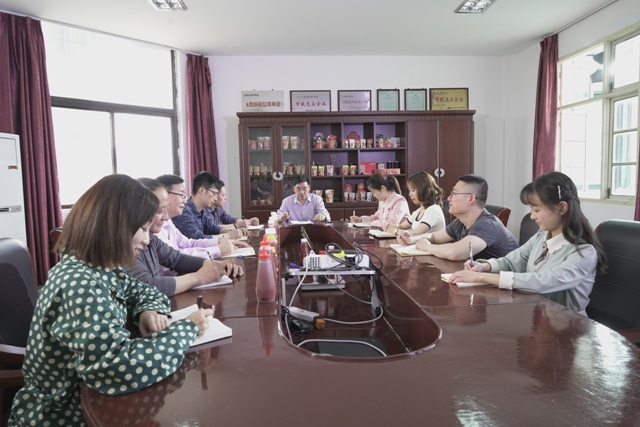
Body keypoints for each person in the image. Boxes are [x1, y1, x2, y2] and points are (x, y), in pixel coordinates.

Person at [8, 174, 213, 427]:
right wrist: (188, 329)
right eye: (143, 229)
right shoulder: (81, 283)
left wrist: (146, 310)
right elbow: (116, 368)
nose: (147, 239)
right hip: (64, 413)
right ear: (116, 226)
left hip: (90, 400)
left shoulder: (100, 268)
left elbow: (145, 291)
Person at [447, 171, 606, 314]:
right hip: (537, 313)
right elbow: (512, 261)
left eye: (537, 210)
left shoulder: (584, 252)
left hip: (570, 323)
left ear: (562, 208)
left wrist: (482, 277)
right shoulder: (541, 236)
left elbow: (543, 282)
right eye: (531, 210)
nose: (532, 216)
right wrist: (485, 267)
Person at [127, 178, 244, 296]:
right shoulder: (128, 244)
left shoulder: (151, 238)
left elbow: (178, 258)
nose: (166, 217)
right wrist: (198, 277)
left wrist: (212, 265)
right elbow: (146, 286)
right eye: (159, 211)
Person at [414, 174, 518, 260]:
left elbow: (454, 253)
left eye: (454, 193)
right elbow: (434, 237)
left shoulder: (487, 224)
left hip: (502, 278)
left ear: (470, 198)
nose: (449, 198)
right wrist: (413, 239)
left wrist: (427, 246)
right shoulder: (460, 222)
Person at [155, 174, 250, 265]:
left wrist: (221, 241)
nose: (185, 200)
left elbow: (189, 243)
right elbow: (177, 256)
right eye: (181, 195)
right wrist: (219, 247)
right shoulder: (159, 224)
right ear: (164, 195)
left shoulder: (168, 221)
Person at [173, 171, 246, 240]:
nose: (215, 198)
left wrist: (234, 231)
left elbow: (212, 228)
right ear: (202, 190)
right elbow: (198, 238)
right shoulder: (184, 211)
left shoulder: (200, 211)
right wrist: (228, 235)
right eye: (214, 194)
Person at [384, 171, 446, 239]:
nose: (410, 194)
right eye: (410, 191)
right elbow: (401, 226)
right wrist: (391, 226)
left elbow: (415, 233)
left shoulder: (433, 210)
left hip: (431, 245)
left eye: (413, 190)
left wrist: (396, 231)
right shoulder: (419, 211)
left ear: (424, 190)